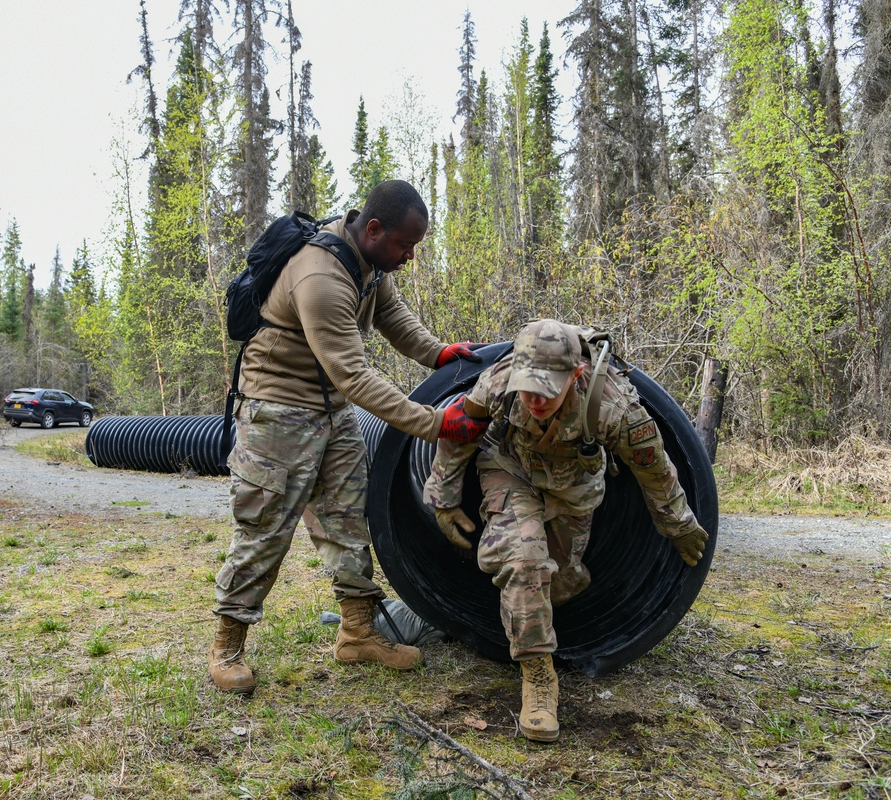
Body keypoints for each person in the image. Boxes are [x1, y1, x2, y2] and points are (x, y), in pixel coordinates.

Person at [209, 179, 489, 694]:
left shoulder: (369, 263)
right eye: (405, 245)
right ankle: (227, 646)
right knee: (265, 527)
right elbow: (355, 376)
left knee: (348, 516)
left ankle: (357, 633)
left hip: (329, 410)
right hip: (278, 411)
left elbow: (391, 316)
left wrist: (438, 353)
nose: (409, 256)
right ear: (375, 229)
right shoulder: (320, 275)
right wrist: (435, 422)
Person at [422, 319, 709, 742]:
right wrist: (442, 497)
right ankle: (539, 678)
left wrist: (679, 525)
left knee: (559, 582)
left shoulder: (614, 407)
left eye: (548, 387)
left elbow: (655, 471)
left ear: (576, 376)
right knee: (526, 560)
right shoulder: (497, 382)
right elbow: (460, 429)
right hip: (510, 469)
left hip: (575, 484)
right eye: (528, 385)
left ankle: (526, 599)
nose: (535, 398)